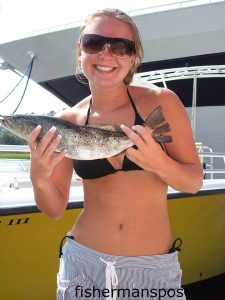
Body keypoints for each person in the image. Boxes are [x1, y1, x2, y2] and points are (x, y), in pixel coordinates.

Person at [28, 8, 203, 300]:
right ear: (80, 51)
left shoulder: (161, 103)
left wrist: (159, 163)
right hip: (82, 265)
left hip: (151, 272)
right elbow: (54, 210)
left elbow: (193, 182)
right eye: (94, 43)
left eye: (121, 47)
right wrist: (38, 176)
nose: (107, 54)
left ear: (134, 58)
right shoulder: (67, 121)